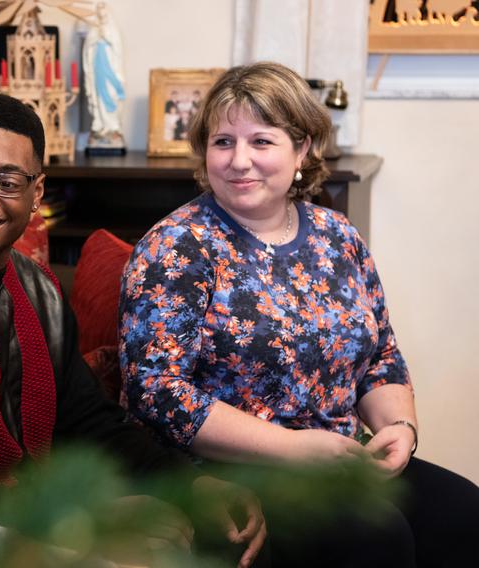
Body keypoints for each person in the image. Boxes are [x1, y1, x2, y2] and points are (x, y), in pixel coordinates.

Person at [0, 92, 267, 567]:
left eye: (6, 180)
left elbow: (90, 421)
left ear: (37, 193)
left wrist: (189, 483)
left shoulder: (38, 287)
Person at [119, 61, 479, 567]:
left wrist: (400, 427)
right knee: (376, 537)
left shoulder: (337, 235)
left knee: (464, 513)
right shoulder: (176, 247)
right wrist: (293, 449)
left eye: (261, 142)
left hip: (340, 454)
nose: (239, 160)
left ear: (303, 148)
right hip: (230, 469)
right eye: (223, 142)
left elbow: (380, 356)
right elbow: (156, 393)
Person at [82, 1, 125, 147]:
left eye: (103, 13)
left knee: (112, 97)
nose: (102, 16)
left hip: (110, 70)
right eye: (99, 13)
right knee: (98, 98)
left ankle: (112, 127)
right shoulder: (93, 30)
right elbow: (87, 48)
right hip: (97, 70)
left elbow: (117, 49)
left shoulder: (113, 30)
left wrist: (106, 36)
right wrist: (95, 37)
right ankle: (100, 125)